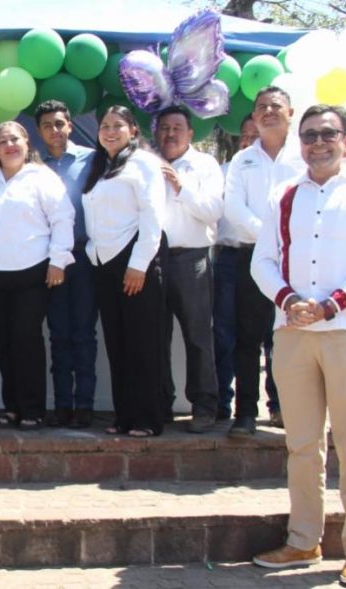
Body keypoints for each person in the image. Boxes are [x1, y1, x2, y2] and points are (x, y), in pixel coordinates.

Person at [251, 104, 346, 588]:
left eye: (327, 134)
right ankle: (304, 539)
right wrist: (290, 300)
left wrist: (331, 305)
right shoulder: (285, 194)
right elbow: (263, 261)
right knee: (302, 445)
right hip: (293, 334)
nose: (318, 143)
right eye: (310, 135)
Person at [0, 121, 74, 430]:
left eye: (14, 139)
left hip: (32, 272)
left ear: (26, 142)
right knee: (3, 343)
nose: (9, 145)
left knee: (26, 340)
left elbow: (62, 218)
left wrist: (58, 261)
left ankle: (33, 410)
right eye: (3, 141)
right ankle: (13, 408)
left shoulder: (42, 177)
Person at [222, 86, 305, 437]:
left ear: (291, 112)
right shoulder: (243, 160)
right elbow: (234, 207)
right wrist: (271, 237)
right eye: (261, 107)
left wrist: (285, 242)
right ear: (254, 116)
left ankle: (284, 406)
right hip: (251, 258)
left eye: (276, 106)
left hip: (298, 260)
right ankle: (244, 413)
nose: (268, 111)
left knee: (288, 336)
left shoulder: (305, 156)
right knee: (248, 337)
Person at [82, 105, 170, 437]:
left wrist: (138, 265)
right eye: (105, 125)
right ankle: (124, 417)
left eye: (118, 125)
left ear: (133, 130)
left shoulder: (144, 163)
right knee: (117, 343)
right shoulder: (100, 165)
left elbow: (152, 217)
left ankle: (147, 419)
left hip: (136, 263)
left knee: (143, 344)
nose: (110, 131)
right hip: (104, 264)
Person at [154, 105, 223, 433]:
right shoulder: (148, 163)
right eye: (164, 128)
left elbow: (213, 211)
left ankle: (204, 405)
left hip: (191, 258)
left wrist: (181, 187)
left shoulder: (205, 165)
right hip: (153, 260)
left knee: (197, 335)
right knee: (157, 337)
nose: (169, 134)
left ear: (190, 133)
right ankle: (161, 402)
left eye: (177, 128)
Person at [35, 100, 98, 429]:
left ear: (70, 125)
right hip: (51, 260)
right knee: (58, 334)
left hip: (86, 256)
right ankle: (61, 405)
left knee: (84, 334)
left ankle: (85, 405)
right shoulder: (37, 168)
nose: (54, 131)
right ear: (39, 131)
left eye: (59, 124)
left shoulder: (93, 160)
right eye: (47, 126)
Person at [214, 115, 257, 421]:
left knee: (266, 336)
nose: (250, 140)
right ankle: (222, 402)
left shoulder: (287, 172)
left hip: (270, 257)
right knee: (225, 334)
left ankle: (276, 405)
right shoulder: (224, 172)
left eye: (257, 135)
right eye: (245, 134)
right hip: (229, 256)